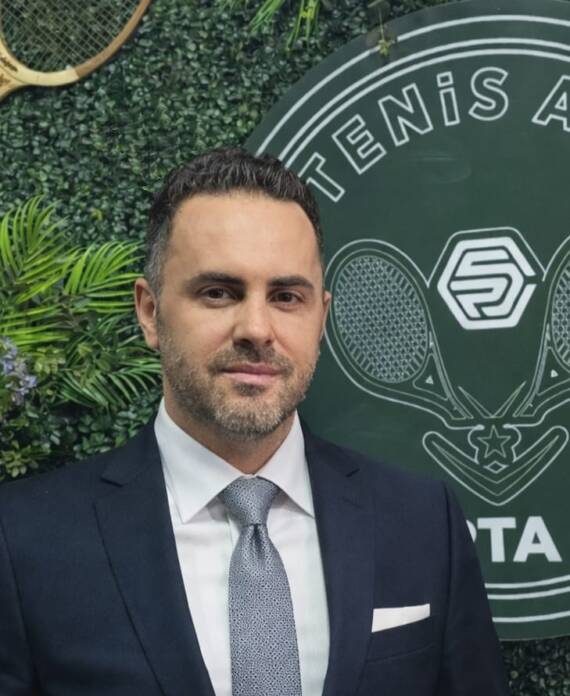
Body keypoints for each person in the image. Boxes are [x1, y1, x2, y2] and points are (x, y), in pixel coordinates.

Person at [0, 147, 510, 696]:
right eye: (218, 293)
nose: (257, 329)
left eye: (287, 296)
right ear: (150, 312)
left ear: (321, 318)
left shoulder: (422, 522)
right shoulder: (21, 540)